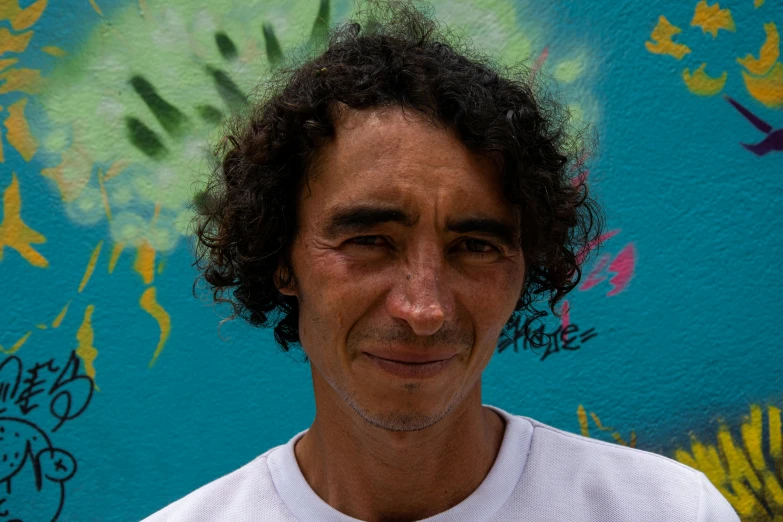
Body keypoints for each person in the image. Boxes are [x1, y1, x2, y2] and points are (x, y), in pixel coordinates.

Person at [143, 1, 739, 520]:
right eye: (368, 240)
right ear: (283, 258)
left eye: (475, 247)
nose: (424, 309)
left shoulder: (668, 510)